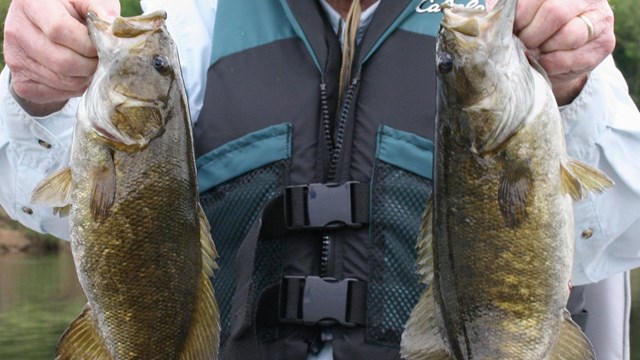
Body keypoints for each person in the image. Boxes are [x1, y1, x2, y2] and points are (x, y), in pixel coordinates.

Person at [1, 0, 638, 359]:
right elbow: (63, 212)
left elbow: (617, 230)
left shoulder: (512, 28)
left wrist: (575, 87)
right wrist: (40, 97)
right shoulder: (193, 21)